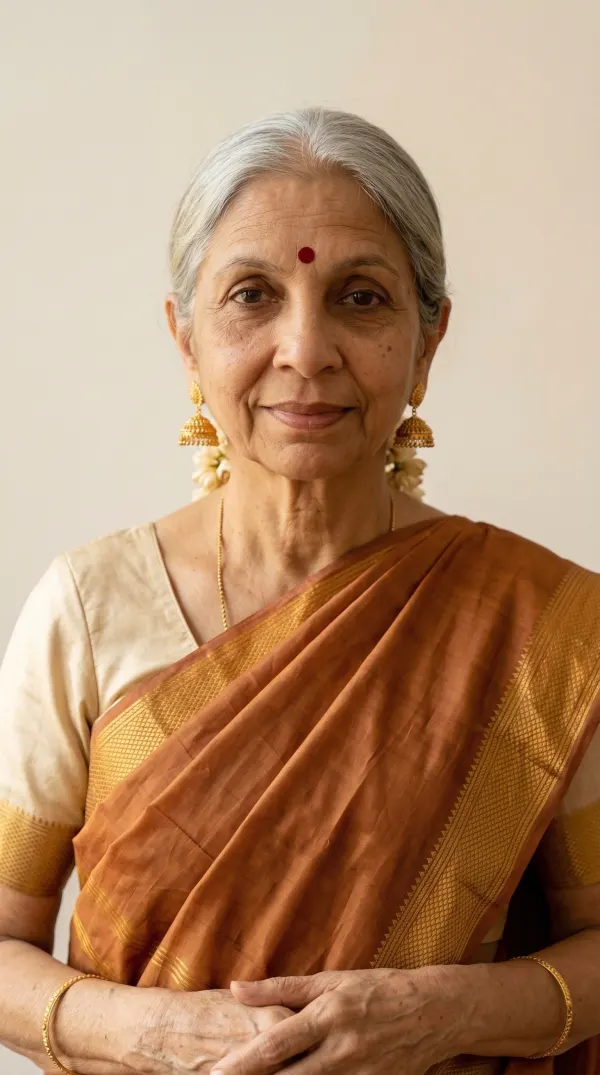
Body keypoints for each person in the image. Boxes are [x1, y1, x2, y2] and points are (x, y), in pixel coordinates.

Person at [0, 107, 599, 1075]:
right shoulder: (88, 606)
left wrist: (441, 1011)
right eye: (252, 295)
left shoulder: (552, 628)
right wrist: (151, 1032)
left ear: (428, 338)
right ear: (184, 337)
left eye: (361, 298)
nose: (306, 349)